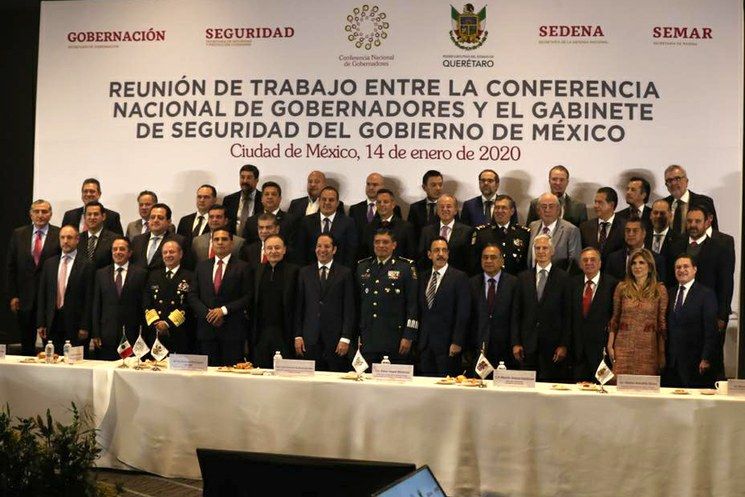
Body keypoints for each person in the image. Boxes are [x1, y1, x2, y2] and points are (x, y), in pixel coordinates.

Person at [188, 228, 252, 366]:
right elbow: (192, 295)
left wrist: (223, 311)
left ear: (232, 243)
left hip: (232, 330)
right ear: (212, 243)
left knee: (231, 373)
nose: (220, 242)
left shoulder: (243, 267)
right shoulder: (201, 266)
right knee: (208, 374)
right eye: (216, 239)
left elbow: (248, 296)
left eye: (224, 239)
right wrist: (208, 314)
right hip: (206, 331)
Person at [512, 235, 571, 381]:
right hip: (527, 346)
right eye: (537, 248)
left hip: (553, 348)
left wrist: (563, 344)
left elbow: (567, 315)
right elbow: (516, 313)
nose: (541, 251)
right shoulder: (523, 277)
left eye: (545, 248)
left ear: (552, 251)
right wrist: (516, 342)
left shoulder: (563, 278)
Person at [356, 229, 418, 367]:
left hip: (395, 339)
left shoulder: (405, 267)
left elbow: (412, 304)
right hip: (369, 337)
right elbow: (357, 304)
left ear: (394, 245)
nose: (381, 245)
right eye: (377, 242)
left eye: (385, 242)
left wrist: (408, 335)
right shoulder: (362, 267)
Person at [294, 233, 356, 372]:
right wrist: (298, 335)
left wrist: (345, 338)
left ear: (334, 249)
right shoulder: (304, 272)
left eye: (327, 246)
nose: (322, 250)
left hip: (336, 340)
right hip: (310, 339)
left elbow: (349, 308)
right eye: (319, 246)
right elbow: (299, 307)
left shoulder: (345, 273)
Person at [6, 199, 61, 355]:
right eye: (36, 211)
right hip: (25, 298)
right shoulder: (19, 234)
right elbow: (11, 267)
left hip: (50, 298)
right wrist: (13, 295)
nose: (40, 215)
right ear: (31, 214)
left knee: (50, 344)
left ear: (50, 214)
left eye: (44, 211)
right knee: (26, 344)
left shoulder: (59, 234)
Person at [607, 248, 668, 376]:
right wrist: (610, 345)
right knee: (620, 382)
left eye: (641, 263)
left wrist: (661, 352)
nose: (637, 266)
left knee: (645, 384)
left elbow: (661, 324)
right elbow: (615, 319)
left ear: (650, 267)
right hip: (623, 345)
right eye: (633, 263)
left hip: (648, 347)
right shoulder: (622, 288)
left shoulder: (659, 290)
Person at [36, 225, 95, 355]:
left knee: (74, 362)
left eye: (69, 237)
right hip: (52, 322)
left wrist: (85, 326)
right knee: (52, 360)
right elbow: (42, 295)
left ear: (77, 240)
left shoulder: (87, 265)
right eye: (62, 237)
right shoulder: (49, 263)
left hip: (76, 325)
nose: (65, 241)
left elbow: (89, 298)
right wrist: (41, 322)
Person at [416, 238, 470, 376]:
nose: (441, 254)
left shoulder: (459, 277)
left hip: (448, 346)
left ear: (448, 254)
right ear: (429, 254)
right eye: (436, 250)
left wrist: (457, 341)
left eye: (444, 250)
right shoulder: (422, 277)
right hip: (425, 345)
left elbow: (463, 313)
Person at [664, 255, 718, 388]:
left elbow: (711, 330)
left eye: (686, 266)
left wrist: (706, 358)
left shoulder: (706, 294)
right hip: (671, 362)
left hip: (695, 362)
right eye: (678, 267)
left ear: (695, 269)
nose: (681, 270)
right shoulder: (668, 293)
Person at [91, 237, 148, 360]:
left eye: (122, 249)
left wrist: (144, 333)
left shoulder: (141, 274)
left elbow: (144, 305)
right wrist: (95, 333)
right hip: (106, 335)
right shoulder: (101, 274)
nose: (118, 252)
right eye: (115, 249)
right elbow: (96, 305)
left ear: (130, 253)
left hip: (132, 334)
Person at [569, 247, 618, 381]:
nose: (589, 263)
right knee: (578, 390)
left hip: (601, 350)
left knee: (602, 389)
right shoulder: (572, 283)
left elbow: (615, 317)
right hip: (577, 350)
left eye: (593, 259)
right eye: (585, 260)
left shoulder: (612, 284)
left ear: (600, 263)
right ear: (580, 264)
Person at [251, 234, 299, 368]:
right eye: (269, 248)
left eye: (277, 248)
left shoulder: (294, 271)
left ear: (284, 250)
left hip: (285, 331)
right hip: (261, 332)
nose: (273, 251)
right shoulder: (257, 270)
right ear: (265, 251)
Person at [469, 244, 518, 370]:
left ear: (502, 261)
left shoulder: (514, 283)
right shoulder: (471, 283)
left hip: (506, 348)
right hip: (478, 347)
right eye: (485, 257)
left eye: (493, 257)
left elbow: (517, 316)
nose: (488, 261)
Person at [143, 240, 194, 354]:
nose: (168, 255)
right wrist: (157, 323)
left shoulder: (190, 276)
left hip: (179, 332)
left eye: (172, 252)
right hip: (156, 332)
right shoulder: (153, 275)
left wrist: (167, 324)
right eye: (165, 252)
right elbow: (146, 301)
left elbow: (189, 304)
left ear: (180, 254)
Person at [296, 186, 358, 267]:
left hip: (339, 271)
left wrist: (344, 272)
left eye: (331, 200)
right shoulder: (306, 222)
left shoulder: (348, 223)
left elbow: (351, 252)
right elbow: (300, 251)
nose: (327, 202)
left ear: (337, 203)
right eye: (324, 199)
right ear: (319, 201)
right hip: (311, 271)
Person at [469, 194, 529, 276]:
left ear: (512, 211)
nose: (499, 211)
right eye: (497, 208)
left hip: (515, 281)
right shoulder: (481, 233)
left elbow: (525, 264)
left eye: (504, 208)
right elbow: (474, 263)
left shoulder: (523, 234)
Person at [417, 194, 472, 273]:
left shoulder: (467, 231)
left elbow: (469, 260)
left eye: (449, 206)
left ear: (455, 210)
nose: (445, 209)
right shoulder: (427, 231)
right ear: (437, 211)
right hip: (432, 276)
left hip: (458, 277)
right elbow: (422, 259)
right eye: (442, 207)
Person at [527, 193, 581, 271]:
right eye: (544, 207)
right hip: (533, 276)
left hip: (559, 277)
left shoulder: (570, 230)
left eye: (551, 206)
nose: (547, 210)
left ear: (558, 210)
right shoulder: (532, 226)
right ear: (538, 210)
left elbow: (574, 262)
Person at [360, 189, 416, 260]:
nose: (382, 205)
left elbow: (411, 254)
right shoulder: (369, 228)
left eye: (385, 202)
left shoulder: (406, 227)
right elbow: (364, 254)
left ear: (393, 205)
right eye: (379, 202)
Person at [604, 218, 666, 283]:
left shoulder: (656, 259)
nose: (630, 234)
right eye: (628, 231)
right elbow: (608, 284)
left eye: (635, 231)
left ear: (644, 234)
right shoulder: (613, 258)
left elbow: (659, 284)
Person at [130, 203, 187, 272]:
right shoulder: (137, 240)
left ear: (169, 222)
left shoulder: (179, 241)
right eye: (152, 217)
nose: (155, 220)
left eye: (160, 218)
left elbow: (185, 268)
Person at [663, 164, 717, 234]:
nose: (673, 183)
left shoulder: (704, 202)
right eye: (669, 180)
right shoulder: (663, 204)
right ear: (666, 185)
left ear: (686, 181)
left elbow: (713, 232)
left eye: (677, 179)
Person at [348, 172, 402, 241]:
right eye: (368, 184)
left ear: (383, 187)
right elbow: (352, 235)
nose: (370, 188)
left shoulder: (394, 208)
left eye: (375, 185)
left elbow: (398, 232)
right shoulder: (355, 209)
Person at [579, 187, 625, 266]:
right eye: (595, 202)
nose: (596, 206)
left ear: (611, 205)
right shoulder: (585, 227)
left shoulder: (624, 227)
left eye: (600, 202)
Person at [222, 164, 262, 235]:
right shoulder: (229, 200)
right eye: (242, 177)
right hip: (233, 239)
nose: (245, 181)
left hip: (256, 239)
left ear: (256, 180)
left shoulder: (263, 199)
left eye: (249, 178)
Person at [78, 201, 117, 270]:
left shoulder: (114, 239)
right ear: (84, 217)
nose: (92, 217)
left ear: (103, 216)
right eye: (89, 214)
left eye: (96, 214)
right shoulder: (78, 238)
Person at [407, 170, 444, 242]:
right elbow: (410, 234)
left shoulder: (449, 208)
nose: (438, 188)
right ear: (424, 187)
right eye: (433, 185)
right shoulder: (415, 208)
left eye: (440, 184)